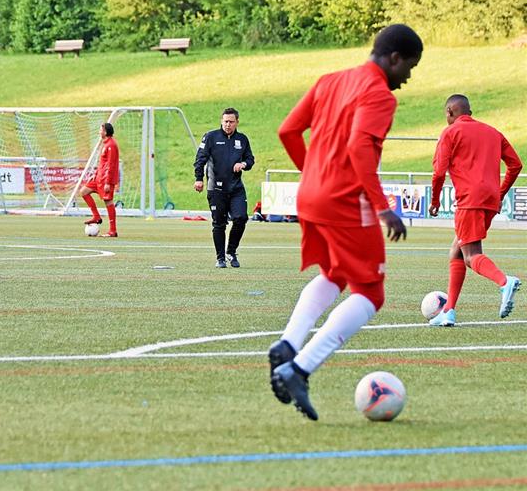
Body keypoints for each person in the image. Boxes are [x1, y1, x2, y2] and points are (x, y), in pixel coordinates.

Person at [269, 24, 423, 420]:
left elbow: (287, 130)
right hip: (344, 202)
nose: (407, 78)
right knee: (371, 293)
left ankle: (287, 344)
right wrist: (383, 206)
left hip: (311, 196)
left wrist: (314, 175)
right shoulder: (379, 95)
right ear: (393, 58)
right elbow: (358, 146)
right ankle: (299, 368)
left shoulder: (330, 80)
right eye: (410, 66)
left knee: (336, 273)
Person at [428, 94, 523, 326]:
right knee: (457, 251)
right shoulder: (493, 132)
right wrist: (499, 194)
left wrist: (435, 201)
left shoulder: (450, 132)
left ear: (450, 112)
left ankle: (504, 282)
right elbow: (516, 164)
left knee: (471, 256)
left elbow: (439, 172)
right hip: (490, 201)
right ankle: (448, 311)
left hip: (469, 200)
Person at [193, 107, 254, 268]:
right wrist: (199, 179)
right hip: (216, 189)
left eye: (231, 122)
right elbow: (200, 158)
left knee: (241, 218)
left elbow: (250, 159)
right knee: (219, 224)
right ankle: (220, 258)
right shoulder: (211, 137)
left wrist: (244, 164)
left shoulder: (242, 139)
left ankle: (231, 252)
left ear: (237, 122)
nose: (228, 124)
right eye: (225, 121)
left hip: (236, 189)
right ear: (221, 121)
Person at [79, 122, 120, 237]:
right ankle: (96, 216)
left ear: (105, 132)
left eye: (100, 130)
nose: (99, 131)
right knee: (83, 192)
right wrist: (96, 173)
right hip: (98, 178)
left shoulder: (111, 145)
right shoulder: (105, 144)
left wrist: (108, 182)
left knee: (108, 202)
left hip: (106, 180)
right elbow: (103, 163)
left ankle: (113, 230)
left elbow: (111, 165)